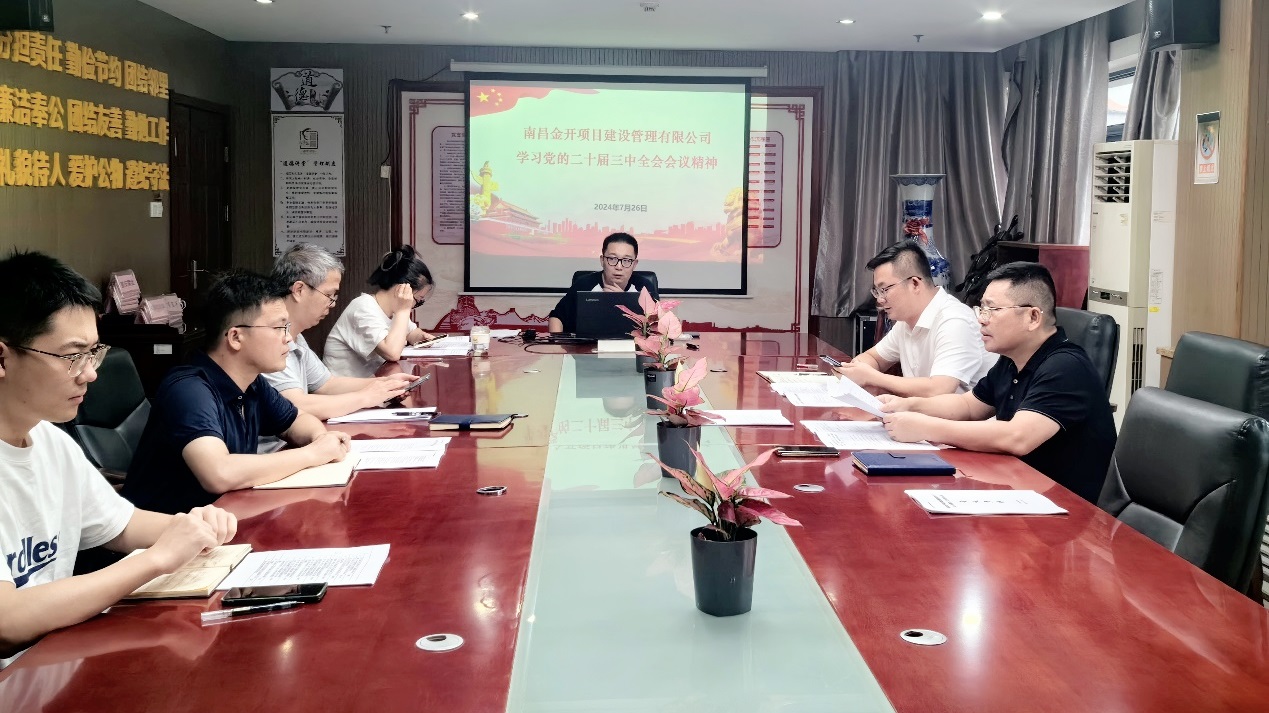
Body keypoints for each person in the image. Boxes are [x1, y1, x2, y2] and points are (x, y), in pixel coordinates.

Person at [0, 251, 236, 663]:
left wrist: (193, 526)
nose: (90, 373)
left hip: (53, 666)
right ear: (3, 358)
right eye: (72, 356)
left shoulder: (51, 441)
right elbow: (8, 620)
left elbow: (121, 525)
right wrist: (155, 561)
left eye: (93, 352)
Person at [879, 262, 1116, 503]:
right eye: (981, 309)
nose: (982, 320)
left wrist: (926, 428)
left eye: (992, 310)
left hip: (1065, 507)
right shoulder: (1012, 360)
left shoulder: (1066, 367)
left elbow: (1017, 437)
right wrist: (909, 405)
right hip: (1019, 489)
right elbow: (968, 406)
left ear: (1033, 317)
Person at [123, 272, 350, 515]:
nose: (287, 338)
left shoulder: (252, 383)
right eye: (278, 327)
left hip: (227, 519)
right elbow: (219, 473)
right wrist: (312, 454)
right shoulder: (189, 390)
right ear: (235, 337)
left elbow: (297, 420)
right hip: (167, 532)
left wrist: (320, 439)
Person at [265, 244, 416, 425]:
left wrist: (384, 384)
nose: (333, 303)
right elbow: (295, 404)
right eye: (329, 295)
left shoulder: (297, 337)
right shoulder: (269, 337)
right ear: (299, 290)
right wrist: (366, 397)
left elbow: (326, 384)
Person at [834, 241, 995, 396]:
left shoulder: (954, 320)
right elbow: (873, 358)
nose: (880, 299)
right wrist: (857, 371)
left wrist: (871, 377)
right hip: (919, 411)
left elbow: (939, 389)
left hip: (962, 415)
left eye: (885, 289)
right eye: (877, 291)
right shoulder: (905, 321)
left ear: (915, 284)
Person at [324, 245, 436, 378]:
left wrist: (421, 337)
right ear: (402, 290)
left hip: (373, 383)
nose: (415, 305)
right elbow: (392, 353)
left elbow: (411, 332)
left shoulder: (394, 311)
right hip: (343, 387)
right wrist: (403, 310)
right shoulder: (363, 308)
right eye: (418, 300)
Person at [548, 232, 658, 334]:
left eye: (626, 260)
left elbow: (655, 327)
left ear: (634, 264)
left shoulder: (644, 287)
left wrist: (624, 301)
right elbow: (557, 317)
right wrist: (557, 343)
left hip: (630, 347)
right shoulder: (584, 284)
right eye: (612, 259)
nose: (619, 267)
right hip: (587, 346)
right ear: (602, 260)